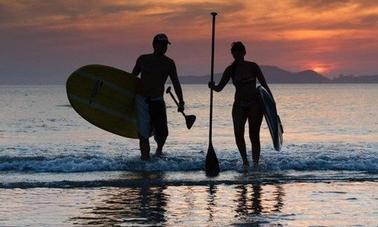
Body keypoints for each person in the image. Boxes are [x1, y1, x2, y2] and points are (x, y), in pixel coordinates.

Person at [208, 41, 272, 169]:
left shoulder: (253, 66)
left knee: (254, 135)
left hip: (255, 105)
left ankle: (255, 164)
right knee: (238, 134)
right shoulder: (230, 70)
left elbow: (264, 85)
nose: (237, 54)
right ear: (232, 54)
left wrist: (272, 103)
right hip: (239, 105)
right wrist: (212, 86)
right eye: (235, 51)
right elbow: (220, 88)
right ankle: (245, 162)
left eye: (239, 51)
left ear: (244, 52)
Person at [132, 33, 185, 160]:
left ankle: (159, 150)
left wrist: (181, 102)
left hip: (157, 100)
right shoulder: (143, 59)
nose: (164, 47)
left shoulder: (169, 63)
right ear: (154, 45)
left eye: (166, 45)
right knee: (144, 134)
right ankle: (145, 162)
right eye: (161, 44)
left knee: (163, 133)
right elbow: (132, 78)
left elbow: (176, 82)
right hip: (142, 100)